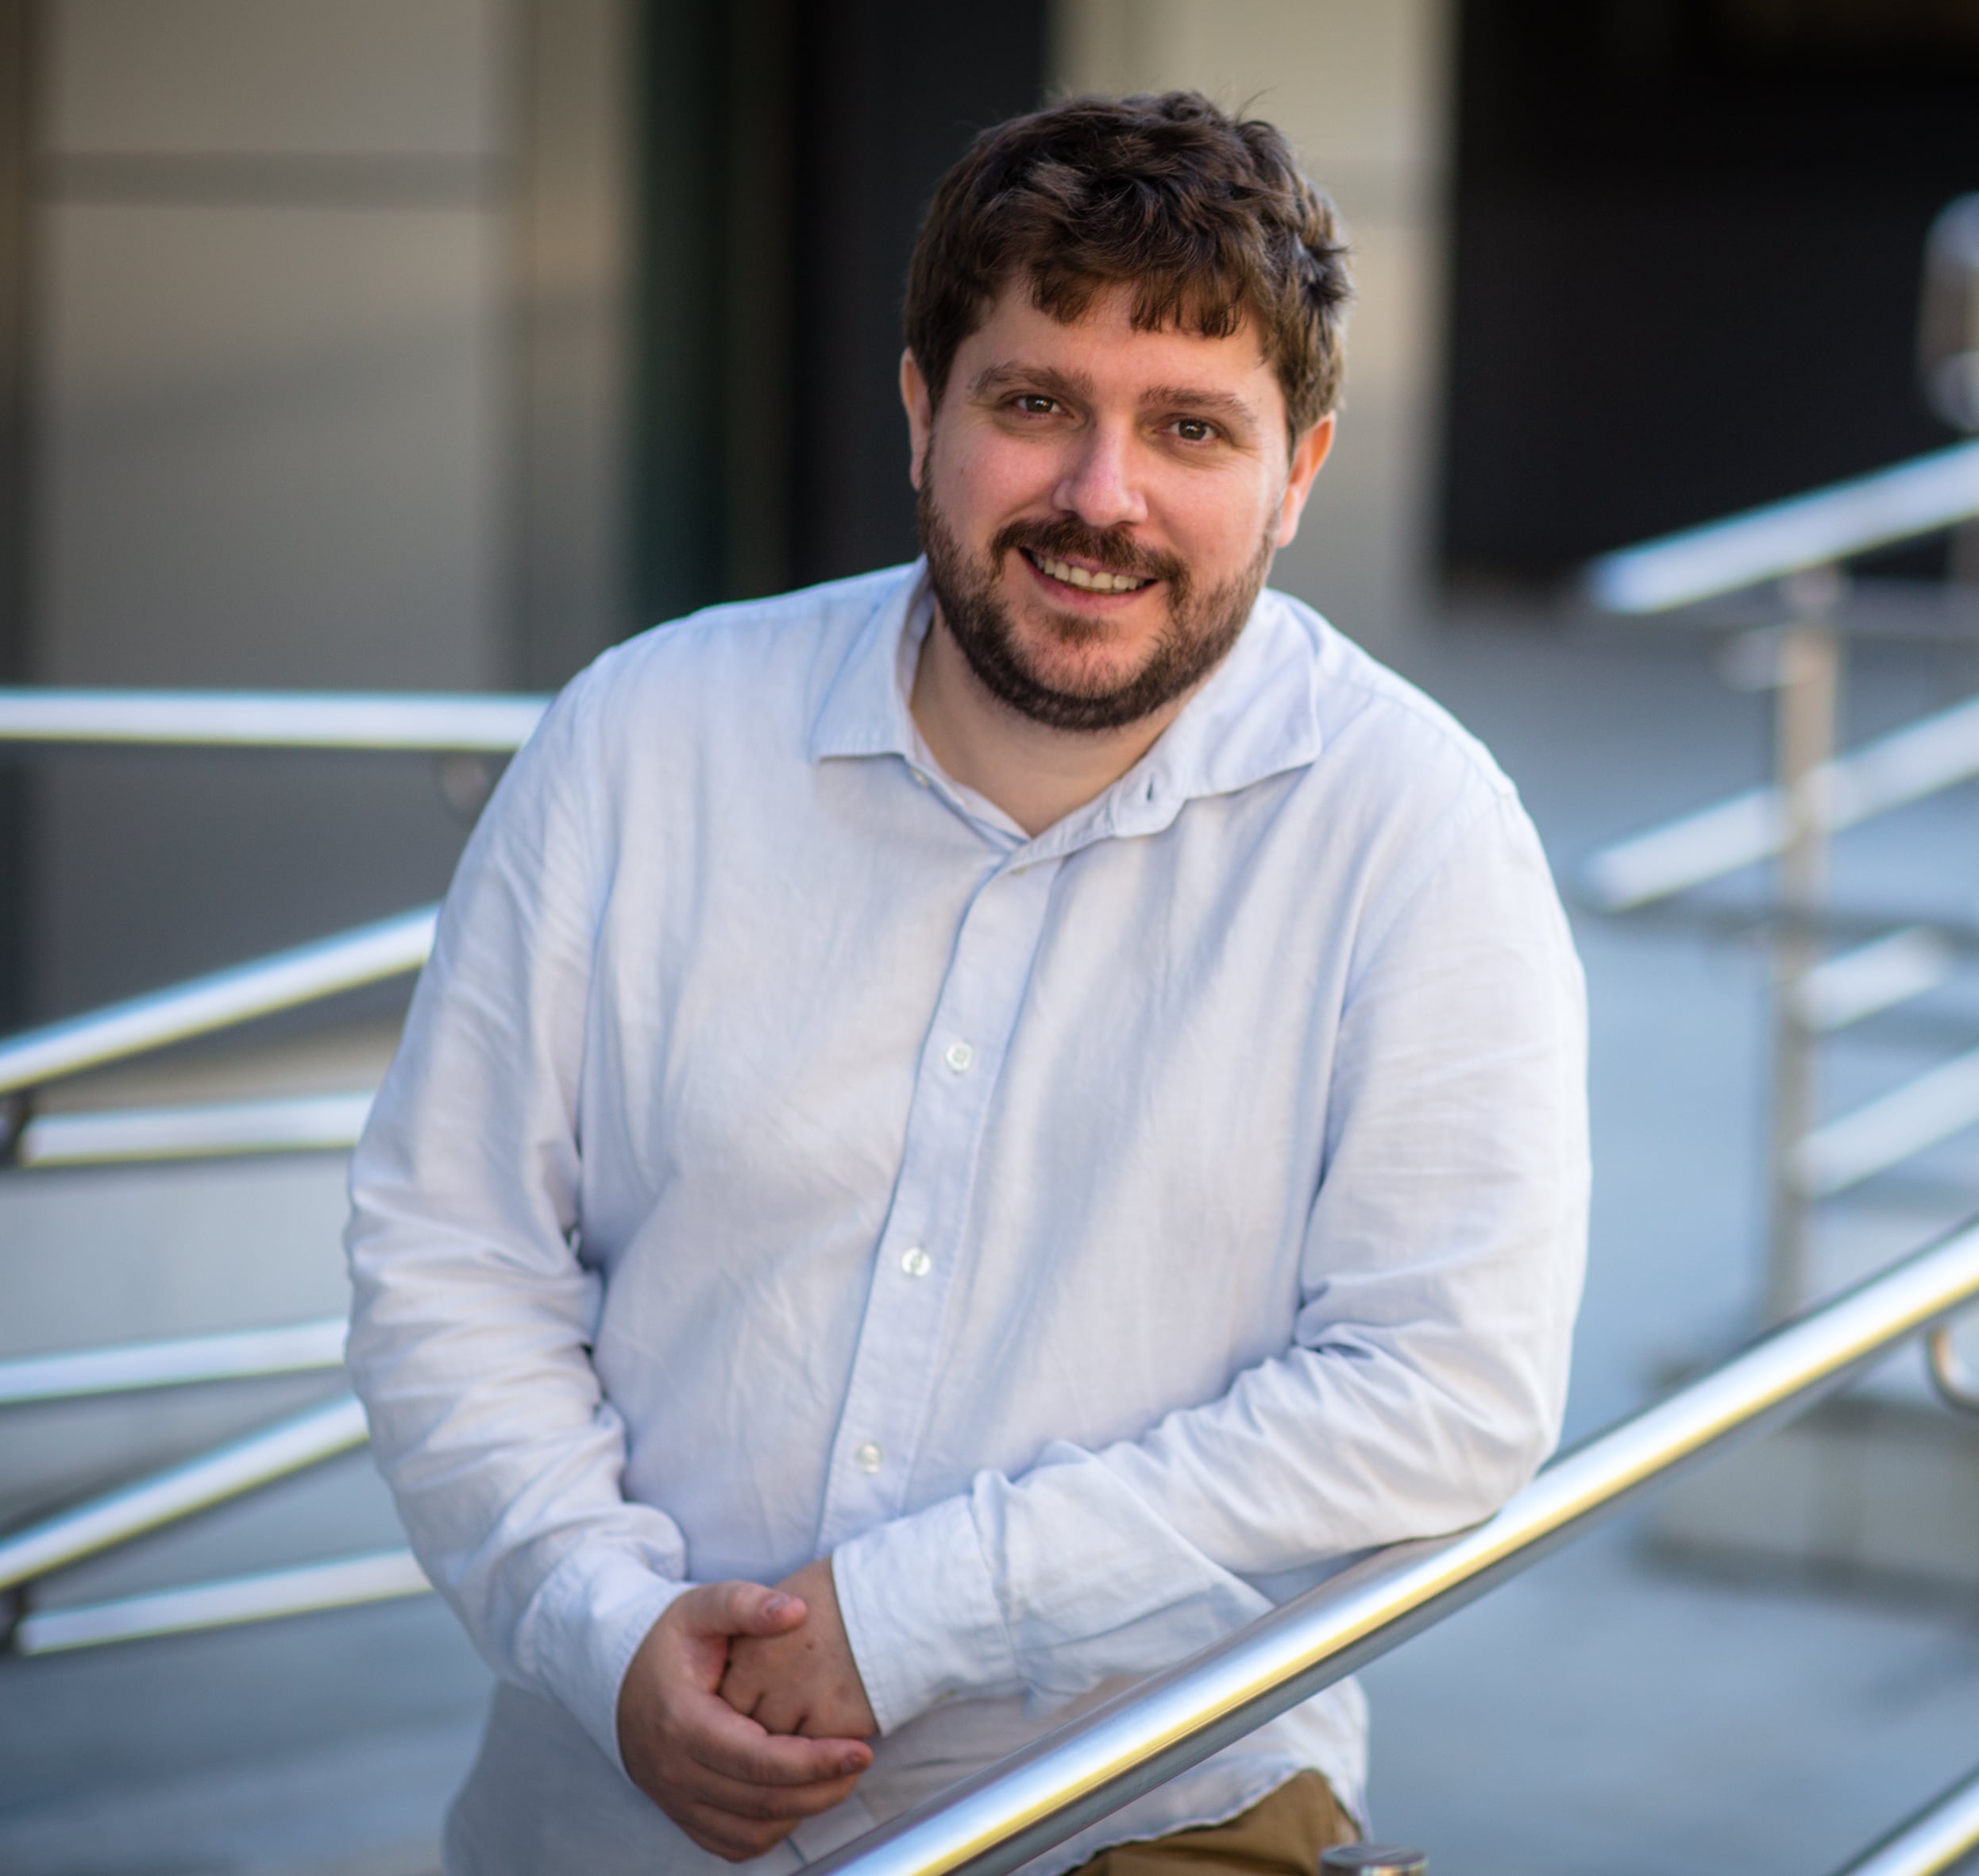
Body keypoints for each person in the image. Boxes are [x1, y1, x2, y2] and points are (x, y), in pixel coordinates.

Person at [343, 91, 1588, 1875]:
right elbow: (447, 1255)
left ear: (1298, 473)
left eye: (1187, 428)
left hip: (1147, 1811)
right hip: (609, 1817)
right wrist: (601, 1626)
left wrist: (918, 1609)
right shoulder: (642, 740)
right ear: (923, 407)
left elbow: (1440, 1385)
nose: (1103, 496)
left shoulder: (1417, 830)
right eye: (1034, 405)